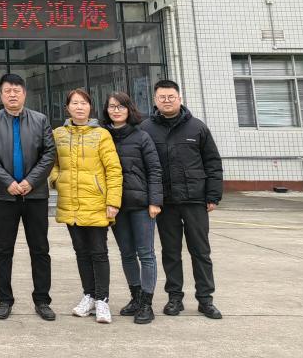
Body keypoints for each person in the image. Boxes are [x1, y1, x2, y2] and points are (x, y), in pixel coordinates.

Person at [142, 79, 224, 319]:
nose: (167, 101)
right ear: (155, 100)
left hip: (195, 200)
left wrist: (213, 195)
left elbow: (212, 162)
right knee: (170, 252)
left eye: (171, 97)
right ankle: (174, 298)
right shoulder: (146, 128)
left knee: (201, 252)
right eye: (162, 97)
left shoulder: (197, 127)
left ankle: (205, 300)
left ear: (179, 98)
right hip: (165, 202)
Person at [0, 72, 57, 321]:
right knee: (3, 250)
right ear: (1, 95)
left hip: (35, 195)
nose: (12, 95)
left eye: (16, 90)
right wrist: (8, 183)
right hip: (5, 196)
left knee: (40, 249)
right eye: (7, 91)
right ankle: (4, 300)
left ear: (24, 93)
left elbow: (49, 154)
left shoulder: (40, 120)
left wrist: (30, 182)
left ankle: (42, 300)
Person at [50, 88, 123, 324]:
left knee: (98, 253)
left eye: (83, 103)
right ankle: (89, 295)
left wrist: (113, 201)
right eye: (74, 103)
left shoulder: (102, 135)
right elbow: (52, 164)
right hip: (70, 203)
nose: (79, 107)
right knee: (81, 252)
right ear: (67, 108)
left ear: (90, 107)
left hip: (96, 203)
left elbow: (114, 170)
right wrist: (56, 180)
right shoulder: (58, 134)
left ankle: (102, 300)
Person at [104, 91, 163, 324]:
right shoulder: (103, 136)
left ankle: (147, 303)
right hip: (116, 206)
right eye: (112, 106)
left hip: (141, 205)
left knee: (146, 253)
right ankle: (136, 297)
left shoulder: (142, 136)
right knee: (127, 253)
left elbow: (154, 169)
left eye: (121, 106)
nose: (116, 110)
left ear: (129, 109)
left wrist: (155, 201)